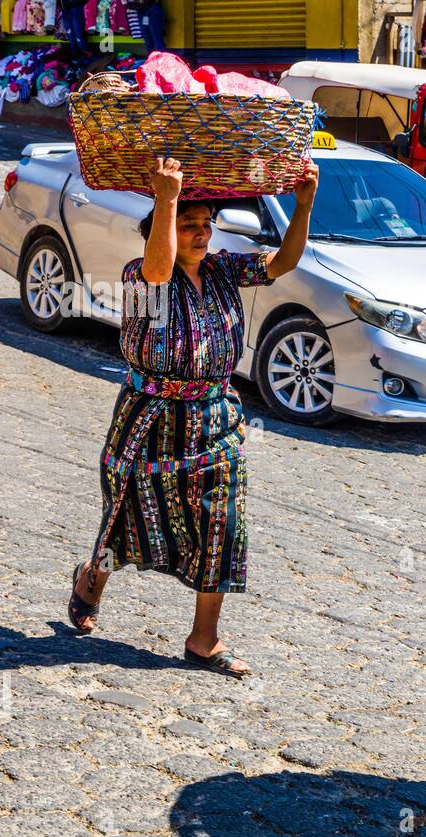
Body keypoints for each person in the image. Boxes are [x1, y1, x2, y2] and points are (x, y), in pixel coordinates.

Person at [68, 157, 319, 678]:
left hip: (216, 418)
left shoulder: (226, 270)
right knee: (128, 515)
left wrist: (304, 206)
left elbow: (283, 263)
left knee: (221, 522)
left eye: (205, 225)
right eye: (189, 225)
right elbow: (159, 269)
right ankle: (91, 579)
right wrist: (166, 199)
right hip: (151, 418)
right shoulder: (140, 276)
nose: (202, 234)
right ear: (164, 226)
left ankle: (204, 640)